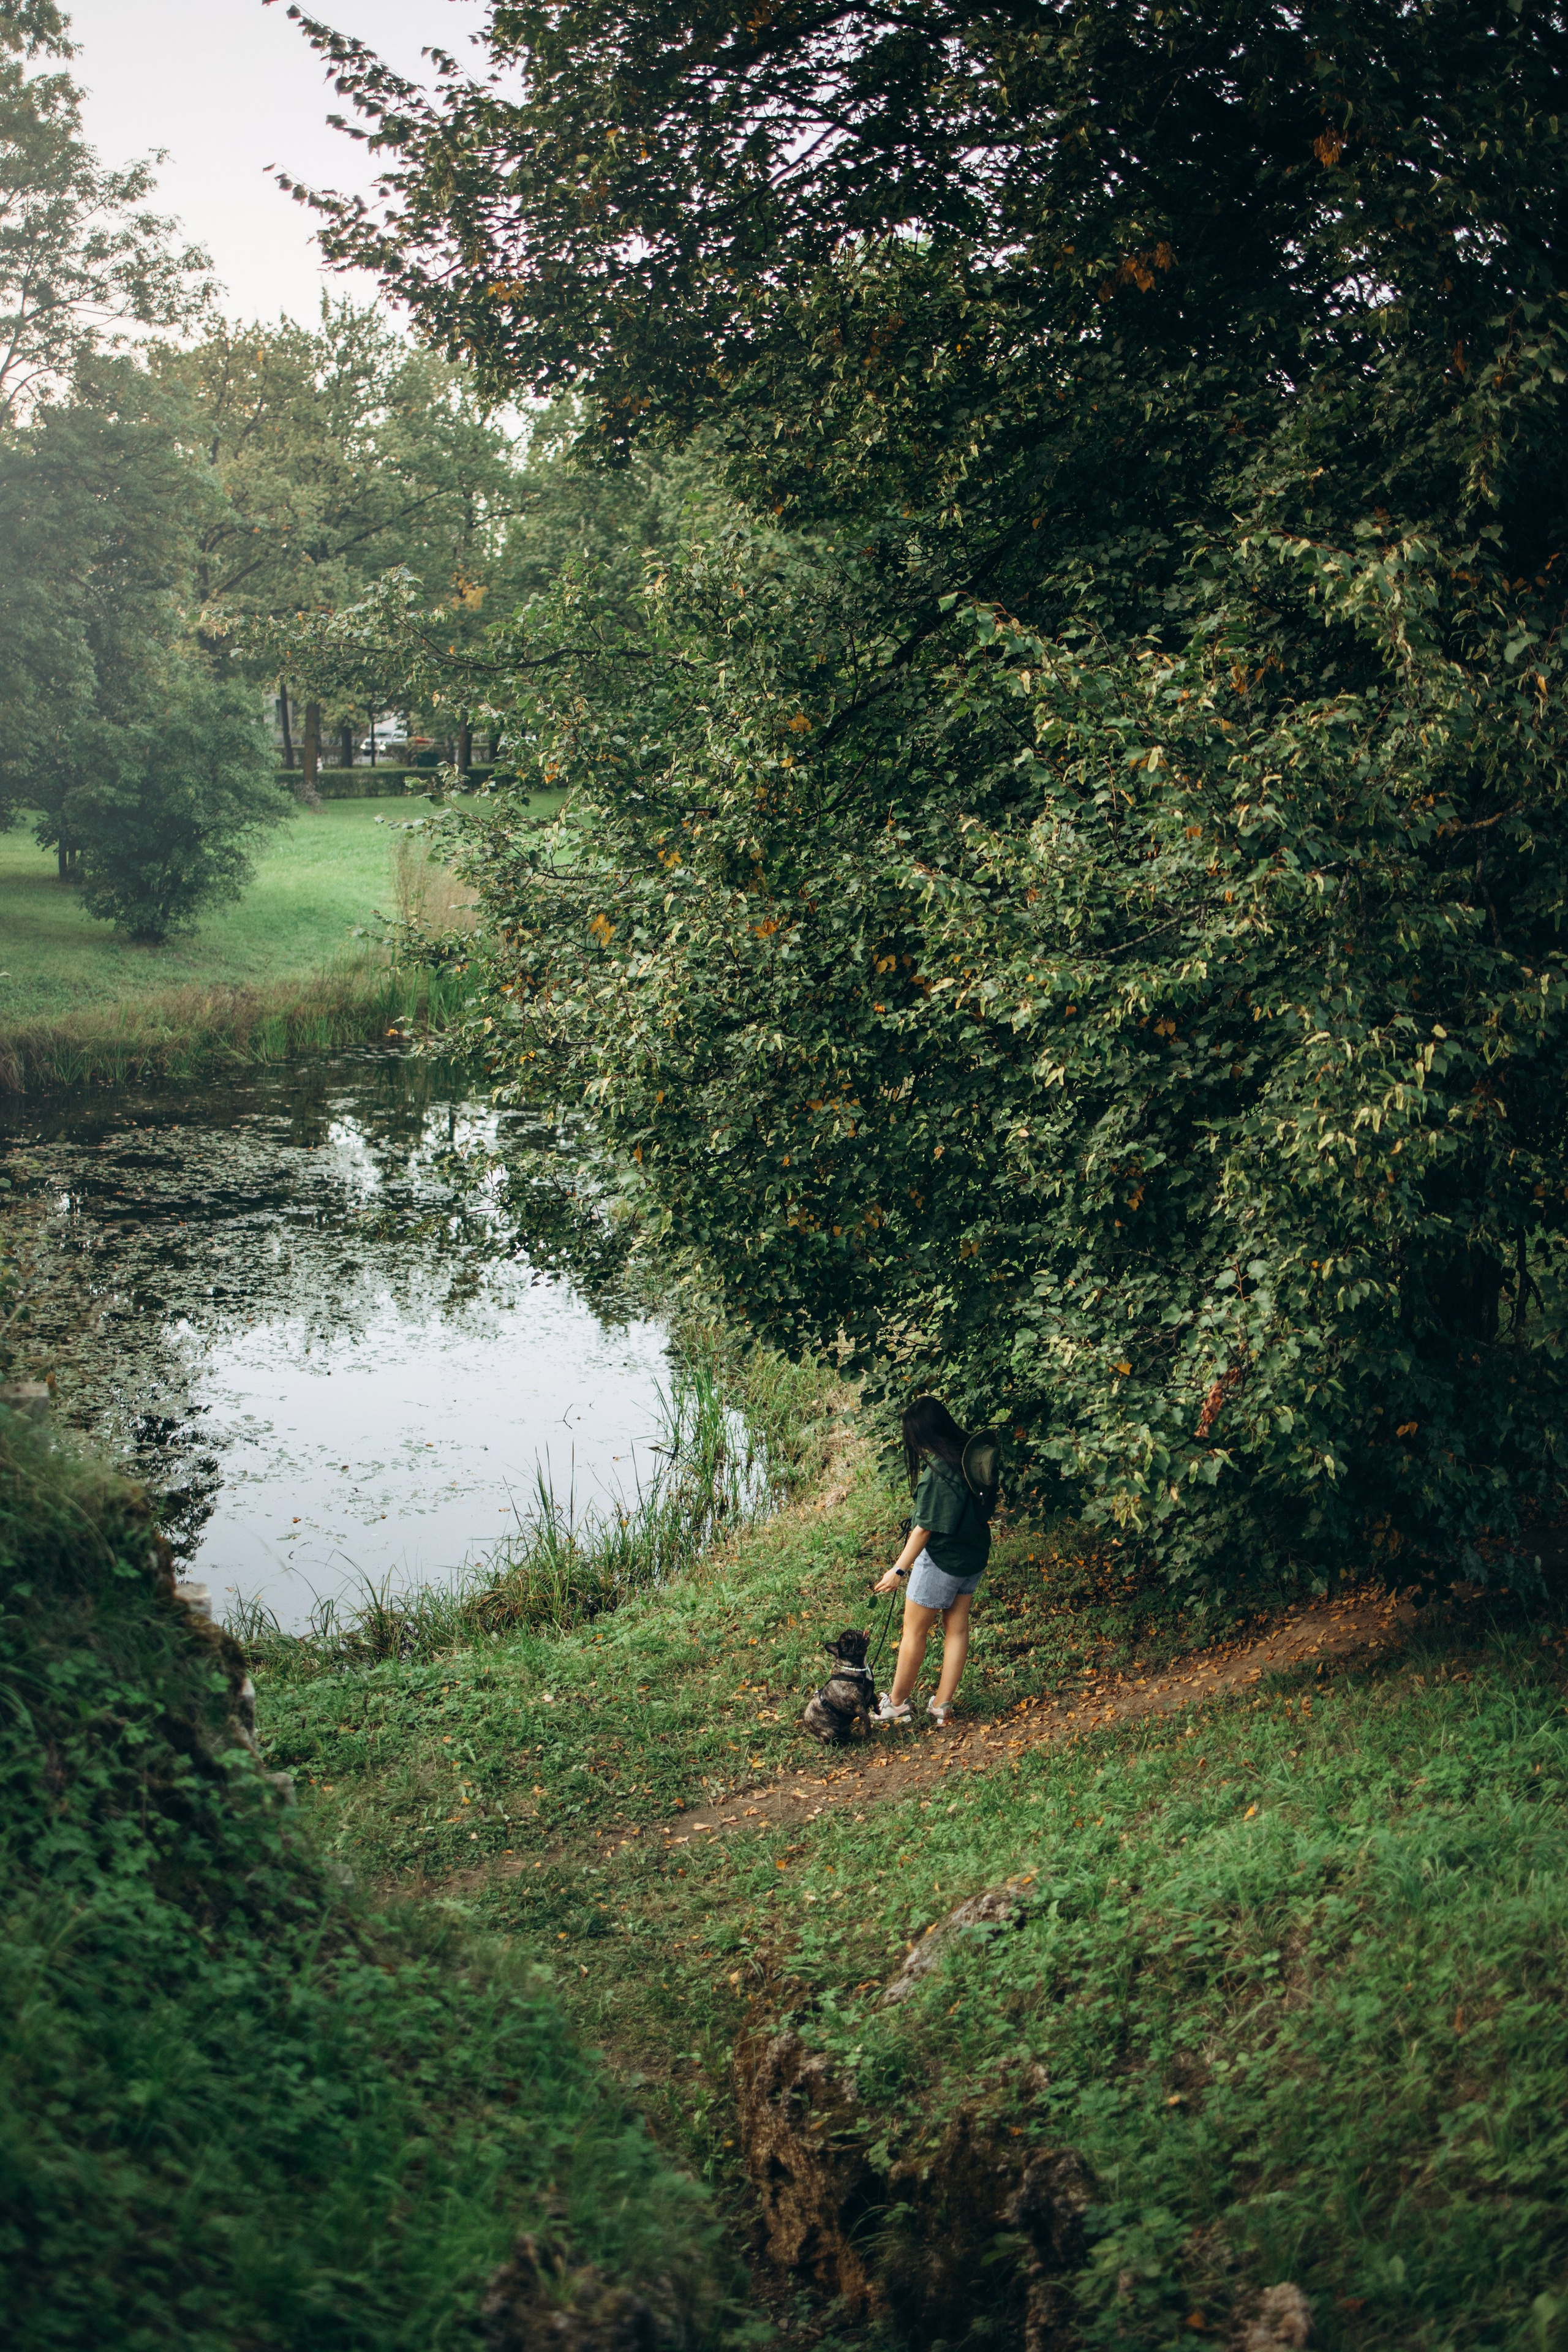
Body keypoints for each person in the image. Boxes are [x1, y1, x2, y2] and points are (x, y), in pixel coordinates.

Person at [871, 1396, 992, 1727]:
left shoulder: (938, 1472)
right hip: (974, 1553)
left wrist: (898, 1569)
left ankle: (895, 1704)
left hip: (942, 1559)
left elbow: (924, 1530)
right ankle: (942, 1705)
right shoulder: (971, 1454)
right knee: (957, 1628)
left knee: (913, 1632)